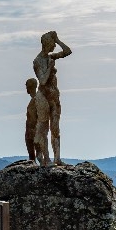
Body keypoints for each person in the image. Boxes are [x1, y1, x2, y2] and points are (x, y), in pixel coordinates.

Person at [32, 31, 72, 166]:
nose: (54, 47)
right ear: (47, 44)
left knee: (55, 128)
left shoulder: (51, 57)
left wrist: (58, 40)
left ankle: (57, 158)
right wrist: (49, 68)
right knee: (43, 127)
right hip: (43, 96)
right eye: (53, 44)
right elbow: (42, 81)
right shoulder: (38, 61)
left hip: (54, 96)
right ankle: (46, 159)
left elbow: (67, 51)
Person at [24, 78, 38, 162]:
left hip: (33, 128)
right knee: (31, 153)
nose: (26, 88)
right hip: (29, 129)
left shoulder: (36, 99)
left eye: (27, 86)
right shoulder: (33, 100)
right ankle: (33, 161)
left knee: (37, 150)